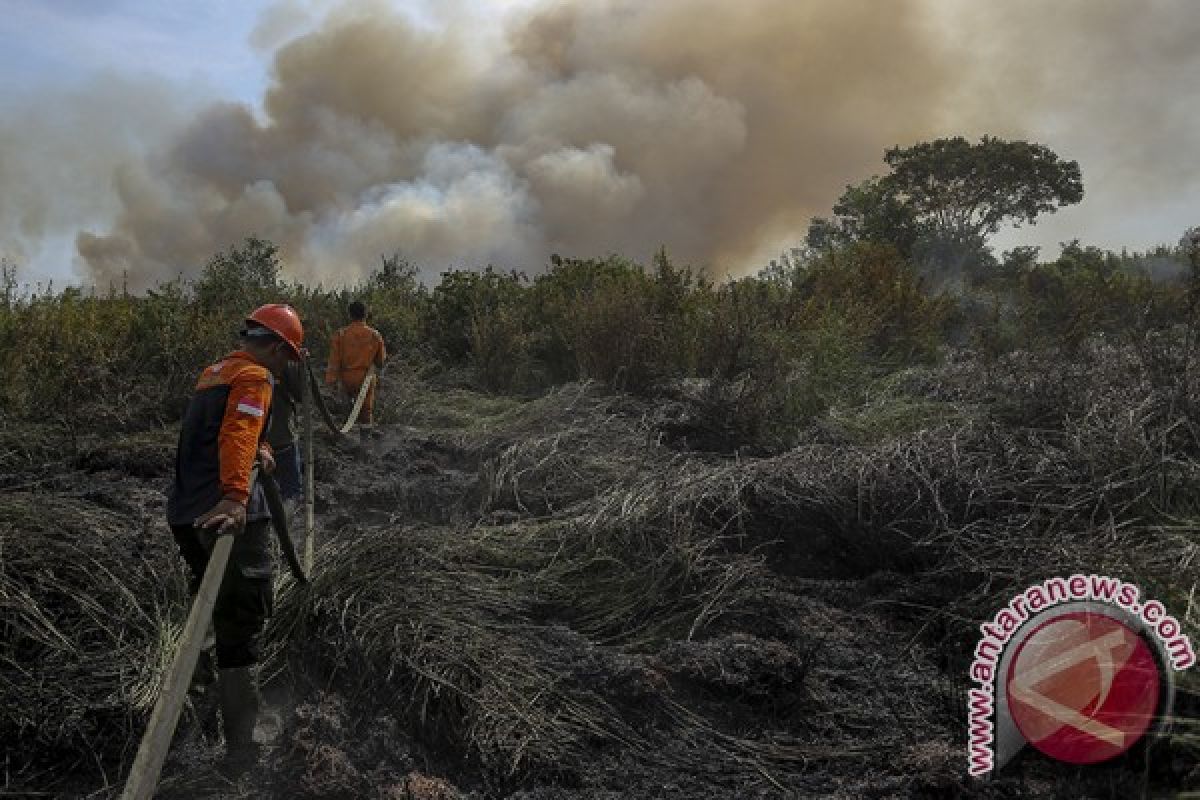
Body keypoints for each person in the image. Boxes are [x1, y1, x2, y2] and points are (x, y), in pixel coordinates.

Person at [166, 303, 303, 765]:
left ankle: (197, 728)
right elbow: (238, 429)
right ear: (276, 347)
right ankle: (242, 749)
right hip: (224, 518)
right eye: (286, 357)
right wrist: (236, 497)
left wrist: (261, 450)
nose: (284, 367)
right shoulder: (255, 377)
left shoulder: (215, 372)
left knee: (209, 612)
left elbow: (220, 431)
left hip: (188, 515)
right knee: (241, 624)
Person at [325, 300, 386, 440]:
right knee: (366, 411)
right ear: (366, 315)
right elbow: (381, 361)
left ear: (350, 315)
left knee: (344, 410)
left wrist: (331, 382)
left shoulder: (340, 335)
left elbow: (334, 361)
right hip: (366, 379)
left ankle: (340, 438)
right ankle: (365, 442)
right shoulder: (375, 335)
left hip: (346, 378)